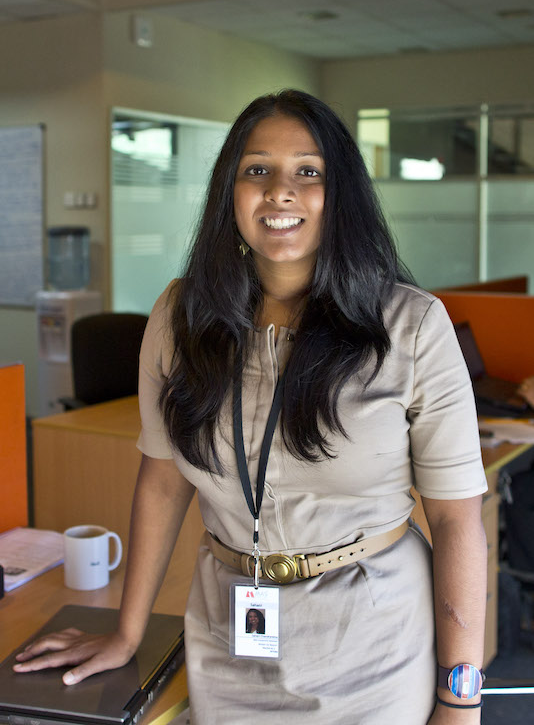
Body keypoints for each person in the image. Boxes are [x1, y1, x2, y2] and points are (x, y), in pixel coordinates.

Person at [14, 90, 488, 725]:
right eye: (257, 170)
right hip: (228, 630)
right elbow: (161, 481)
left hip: (373, 638)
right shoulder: (182, 318)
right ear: (229, 191)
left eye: (309, 172)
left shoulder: (410, 325)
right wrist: (127, 632)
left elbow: (458, 521)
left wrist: (460, 699)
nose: (281, 192)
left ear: (340, 192)